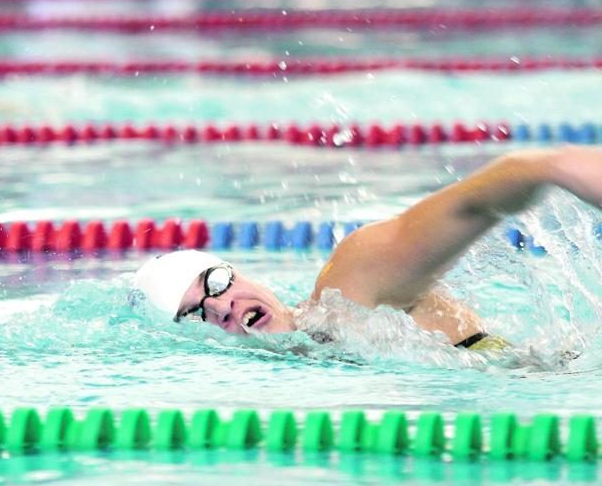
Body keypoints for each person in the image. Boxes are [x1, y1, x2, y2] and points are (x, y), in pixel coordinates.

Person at [134, 146, 602, 351]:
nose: (218, 307)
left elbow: (498, 188)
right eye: (194, 313)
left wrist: (560, 168)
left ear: (240, 272)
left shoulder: (350, 287)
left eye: (214, 283)